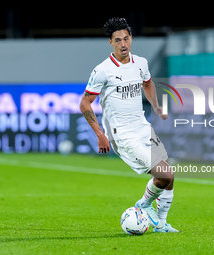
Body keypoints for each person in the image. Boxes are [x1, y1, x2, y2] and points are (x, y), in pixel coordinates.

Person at [80, 17, 179, 233]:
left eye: (126, 38)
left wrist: (155, 105)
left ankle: (161, 224)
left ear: (131, 38)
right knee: (165, 174)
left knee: (168, 174)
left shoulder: (141, 63)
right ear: (111, 42)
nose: (123, 44)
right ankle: (143, 204)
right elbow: (85, 102)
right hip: (122, 134)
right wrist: (99, 134)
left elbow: (148, 83)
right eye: (118, 40)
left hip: (142, 127)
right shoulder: (102, 70)